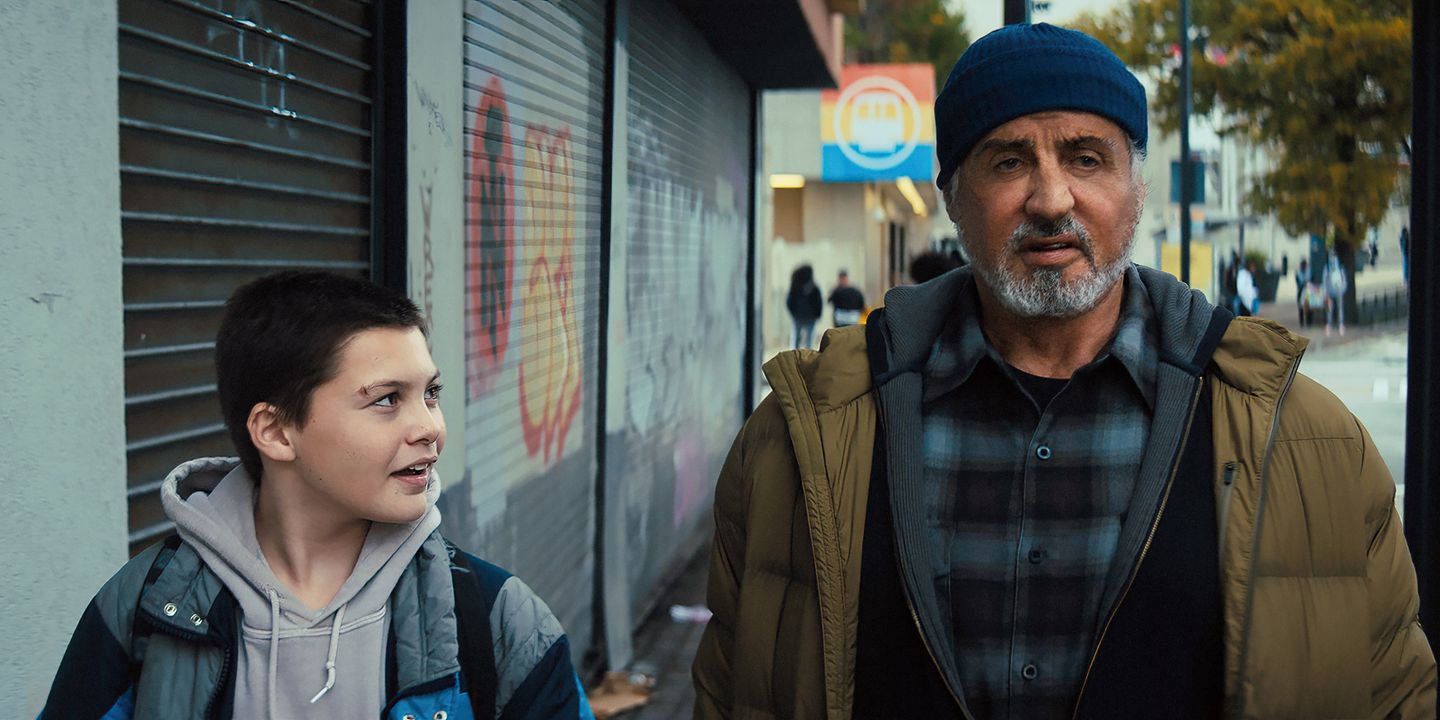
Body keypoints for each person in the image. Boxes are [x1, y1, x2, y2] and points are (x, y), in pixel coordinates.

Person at [692, 22, 1434, 720]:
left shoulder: (1309, 444)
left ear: (1136, 188)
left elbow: (1392, 693)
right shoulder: (798, 445)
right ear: (952, 197)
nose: (1051, 200)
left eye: (1086, 158)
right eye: (1009, 161)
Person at [42, 272, 593, 719]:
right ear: (278, 432)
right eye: (386, 399)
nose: (430, 427)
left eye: (431, 393)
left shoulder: (496, 620)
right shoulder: (144, 609)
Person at [786, 264, 824, 348]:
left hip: (798, 316)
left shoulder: (795, 287)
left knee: (796, 338)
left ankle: (794, 353)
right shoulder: (814, 288)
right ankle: (808, 354)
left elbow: (789, 302)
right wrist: (818, 314)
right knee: (809, 339)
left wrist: (794, 313)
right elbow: (819, 302)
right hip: (810, 317)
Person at [1325, 251, 1348, 337]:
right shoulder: (1327, 268)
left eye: (1334, 256)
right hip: (1330, 291)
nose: (1333, 259)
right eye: (1331, 257)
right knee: (1329, 309)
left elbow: (1344, 279)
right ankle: (1329, 325)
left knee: (1340, 309)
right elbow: (1325, 280)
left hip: (1339, 290)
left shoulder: (1340, 268)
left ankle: (1341, 325)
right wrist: (1326, 291)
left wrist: (1343, 288)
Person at [1293, 258, 1310, 326]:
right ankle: (1302, 322)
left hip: (1307, 291)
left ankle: (1308, 321)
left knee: (1308, 306)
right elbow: (1298, 283)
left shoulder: (1308, 272)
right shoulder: (1298, 273)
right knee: (1301, 307)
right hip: (1301, 291)